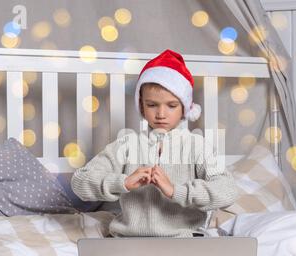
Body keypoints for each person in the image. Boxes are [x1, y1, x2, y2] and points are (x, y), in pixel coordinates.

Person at [71, 49, 239, 237]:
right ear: (141, 106)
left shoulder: (197, 146)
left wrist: (177, 191)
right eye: (152, 105)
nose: (160, 113)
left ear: (185, 107)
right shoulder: (127, 145)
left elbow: (228, 190)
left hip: (183, 243)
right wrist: (123, 182)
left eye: (171, 105)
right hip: (128, 243)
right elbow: (80, 181)